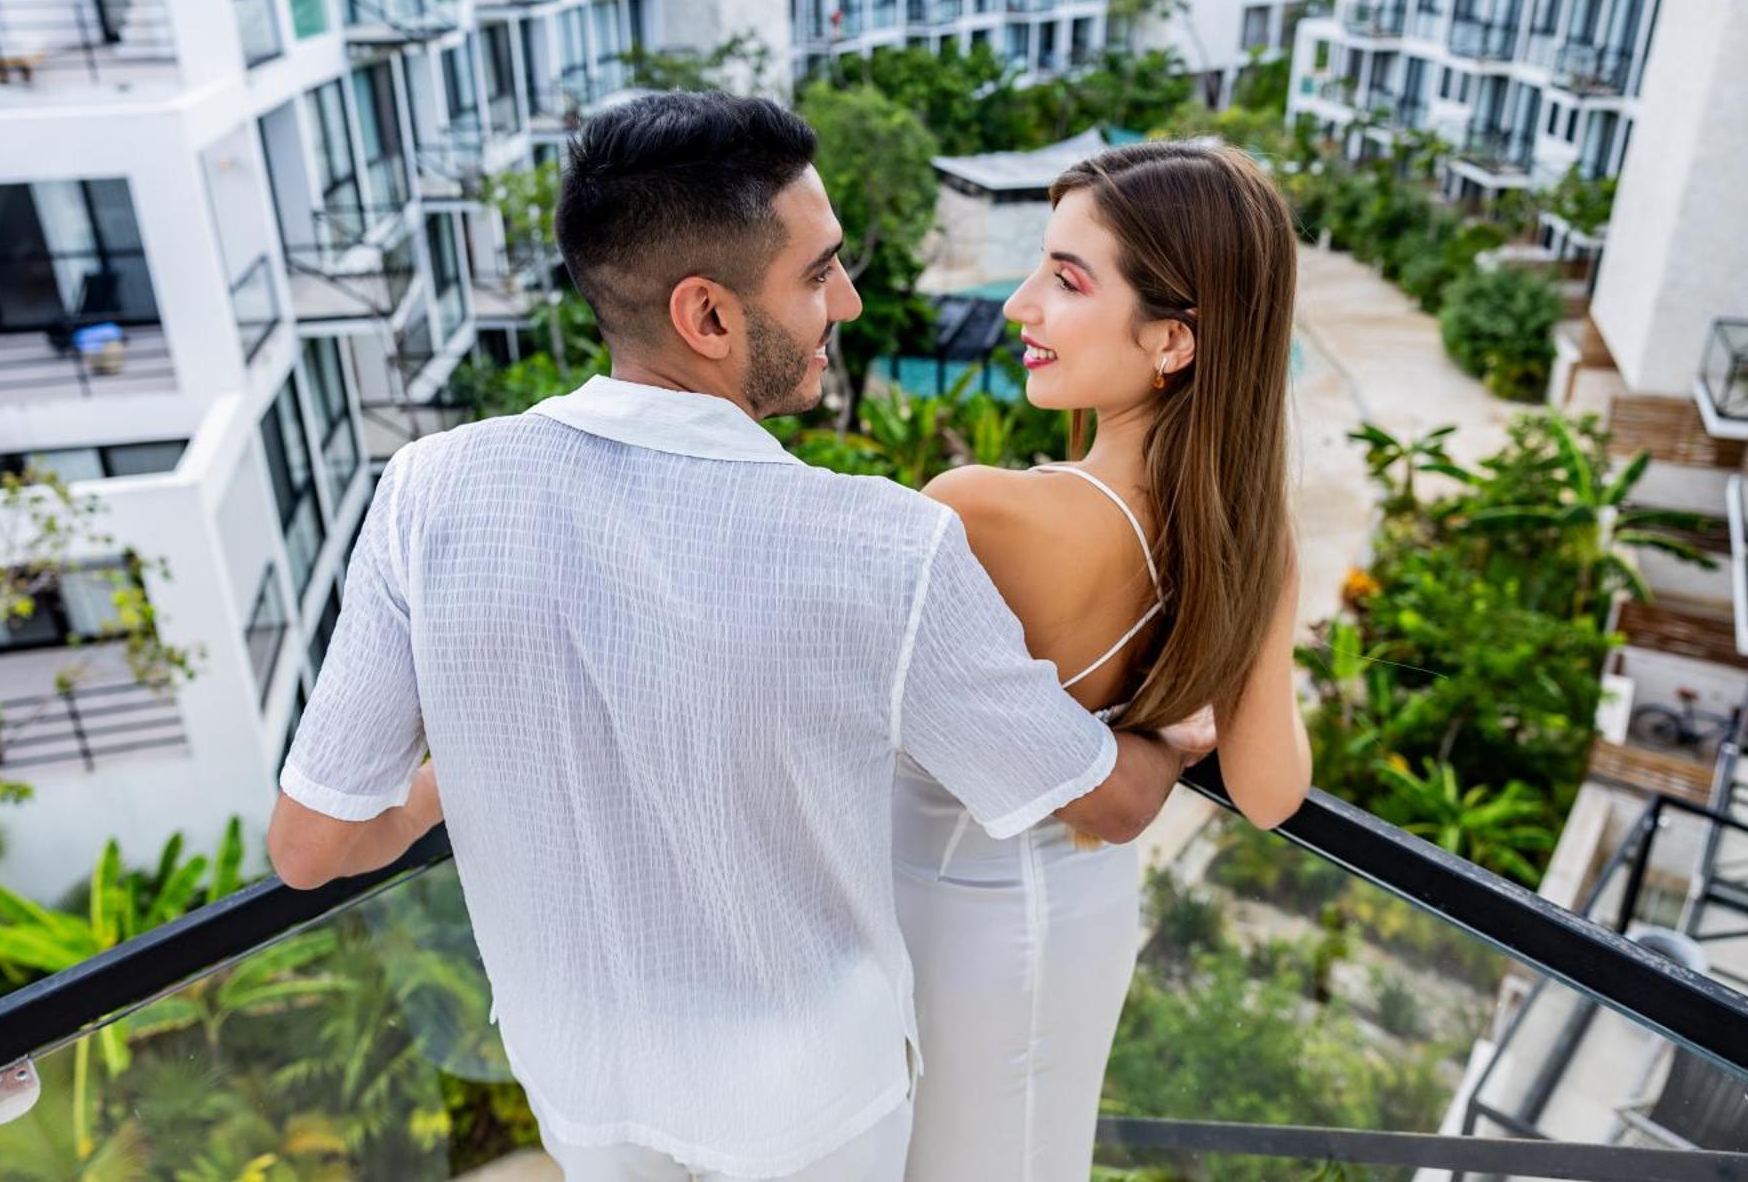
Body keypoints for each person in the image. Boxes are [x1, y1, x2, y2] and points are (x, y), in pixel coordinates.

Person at [265, 93, 1204, 1182]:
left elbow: (311, 847)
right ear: (707, 317)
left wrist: (454, 779)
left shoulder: (428, 491)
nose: (847, 301)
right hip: (812, 1116)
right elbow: (1108, 801)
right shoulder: (883, 548)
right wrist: (1174, 738)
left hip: (578, 1086)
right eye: (818, 273)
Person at [892, 140, 1316, 1181]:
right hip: (1080, 920)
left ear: (1171, 339)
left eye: (1065, 280)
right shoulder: (1248, 538)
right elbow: (1267, 790)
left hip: (941, 928)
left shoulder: (979, 512)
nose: (1017, 305)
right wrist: (1168, 736)